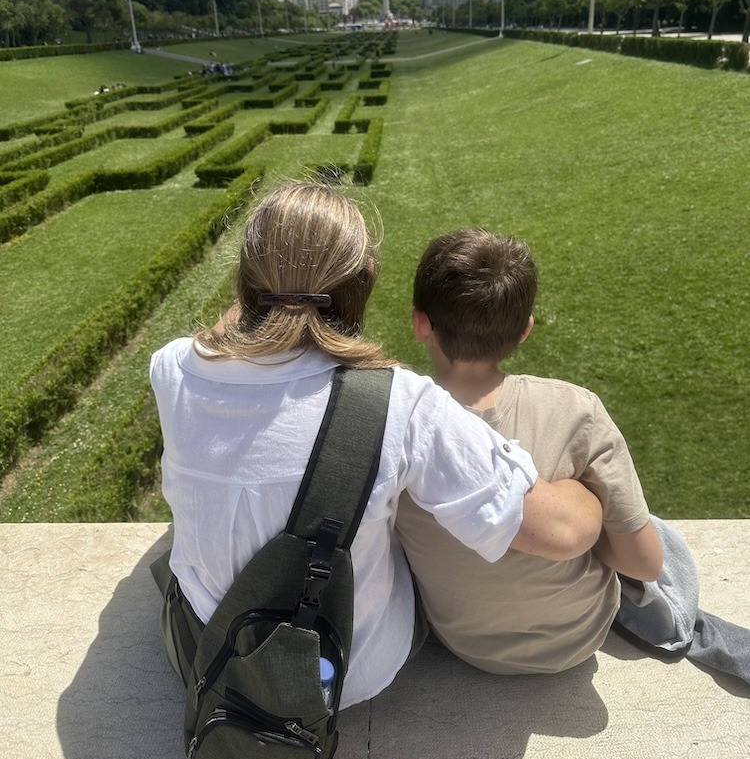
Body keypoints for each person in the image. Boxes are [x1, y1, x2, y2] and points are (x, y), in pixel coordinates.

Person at [149, 182, 602, 708]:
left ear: (246, 280)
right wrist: (586, 491)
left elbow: (230, 330)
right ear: (362, 282)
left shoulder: (172, 367)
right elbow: (562, 532)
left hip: (207, 653)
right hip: (346, 674)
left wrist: (270, 286)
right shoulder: (399, 403)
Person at [396, 228, 663, 675]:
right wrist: (586, 513)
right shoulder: (576, 410)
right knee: (657, 536)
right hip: (581, 634)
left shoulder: (392, 423)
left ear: (420, 322)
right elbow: (646, 562)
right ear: (525, 330)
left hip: (462, 641)